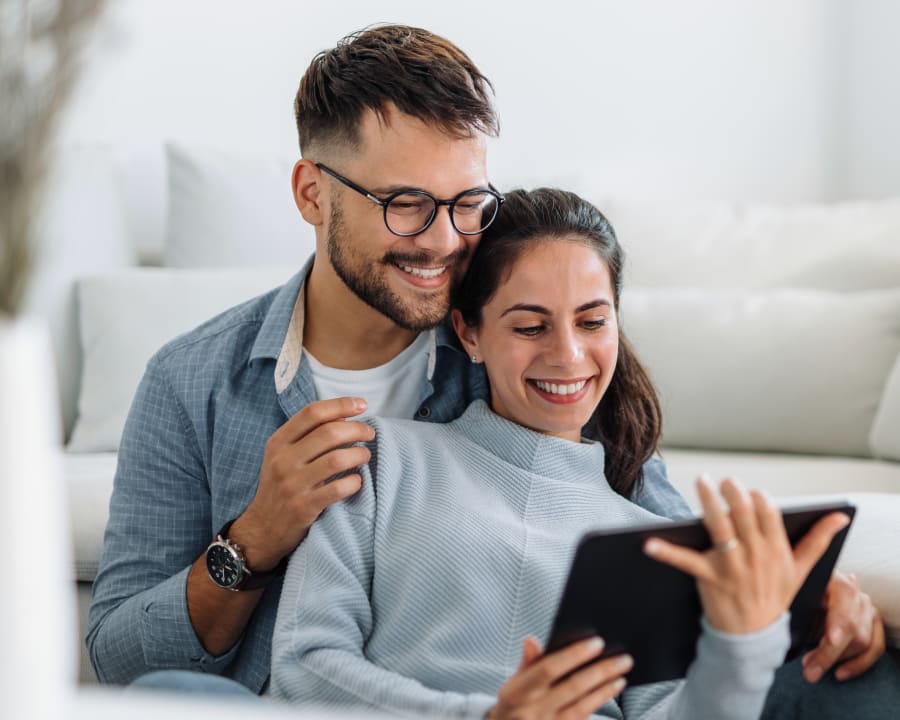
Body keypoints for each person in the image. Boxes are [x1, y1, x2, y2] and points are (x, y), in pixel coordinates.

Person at [87, 22, 887, 699]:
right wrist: (253, 540)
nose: (444, 240)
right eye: (404, 204)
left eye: (468, 202)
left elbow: (658, 539)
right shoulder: (193, 382)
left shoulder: (522, 347)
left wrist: (807, 599)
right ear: (311, 194)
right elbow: (122, 658)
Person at [270, 188, 900, 719]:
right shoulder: (380, 461)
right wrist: (488, 717)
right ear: (470, 332)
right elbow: (303, 667)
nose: (568, 355)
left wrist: (744, 641)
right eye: (530, 325)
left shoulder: (650, 540)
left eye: (593, 321)